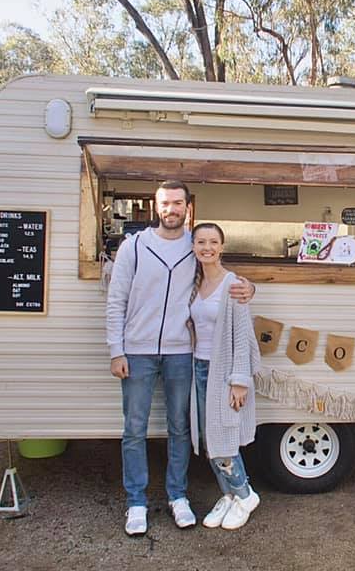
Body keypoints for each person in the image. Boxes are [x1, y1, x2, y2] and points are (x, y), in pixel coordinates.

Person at [106, 181, 254, 536]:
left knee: (179, 429)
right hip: (137, 351)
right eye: (165, 203)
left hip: (180, 353)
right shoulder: (135, 246)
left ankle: (178, 497)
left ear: (188, 207)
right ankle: (136, 503)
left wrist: (249, 288)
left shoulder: (194, 246)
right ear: (155, 206)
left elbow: (222, 278)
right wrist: (116, 350)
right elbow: (116, 300)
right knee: (134, 430)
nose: (170, 209)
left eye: (177, 203)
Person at [188, 222, 261, 530]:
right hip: (199, 369)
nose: (207, 247)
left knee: (225, 440)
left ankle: (245, 495)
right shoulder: (193, 283)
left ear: (222, 246)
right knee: (208, 439)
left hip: (224, 373)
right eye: (201, 241)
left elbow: (243, 335)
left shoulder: (234, 285)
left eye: (213, 242)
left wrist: (240, 381)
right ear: (193, 246)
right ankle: (228, 496)